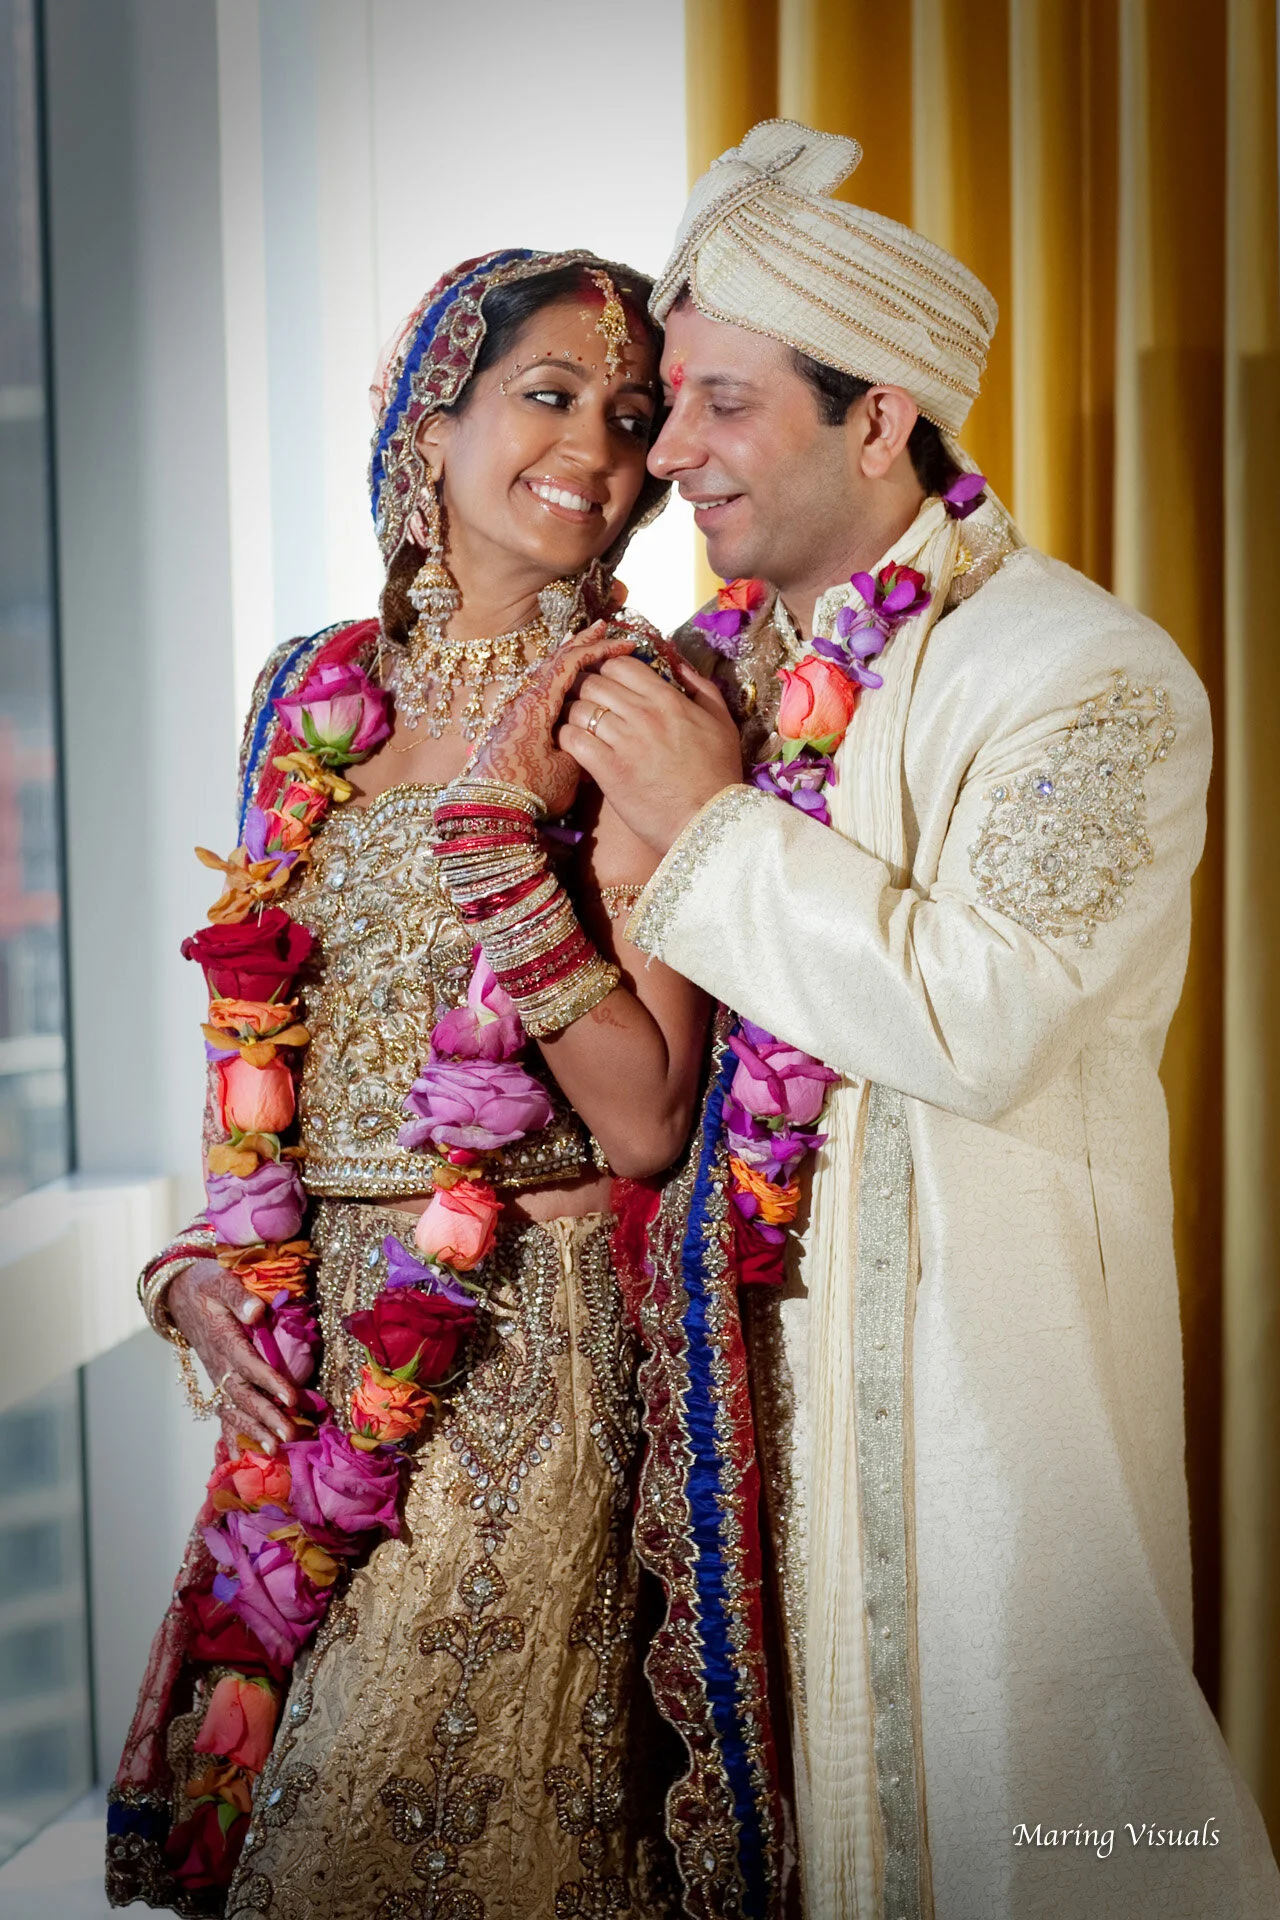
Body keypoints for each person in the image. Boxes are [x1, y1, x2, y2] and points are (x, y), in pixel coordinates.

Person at [544, 123, 1280, 1918]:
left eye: (723, 404)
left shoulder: (1086, 674)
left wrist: (712, 826)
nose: (672, 452)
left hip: (975, 1385)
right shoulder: (710, 677)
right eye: (668, 404)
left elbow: (981, 1012)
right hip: (737, 1394)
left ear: (879, 419)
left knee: (1041, 1811)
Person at [106, 249, 705, 1918]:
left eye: (636, 411)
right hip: (305, 1372)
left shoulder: (640, 705)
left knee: (402, 1847)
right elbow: (259, 1065)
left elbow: (651, 1115)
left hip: (521, 1340)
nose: (603, 440)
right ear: (427, 421)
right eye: (553, 391)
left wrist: (506, 852)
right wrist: (193, 1279)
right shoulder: (307, 692)